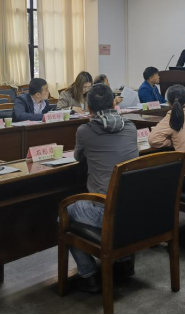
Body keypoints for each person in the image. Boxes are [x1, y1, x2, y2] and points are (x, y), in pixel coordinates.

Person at [67, 83, 138, 292]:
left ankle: (88, 273)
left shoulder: (85, 130)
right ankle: (123, 262)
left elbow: (78, 156)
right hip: (133, 207)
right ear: (114, 104)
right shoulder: (131, 127)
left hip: (105, 211)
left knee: (63, 213)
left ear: (89, 108)